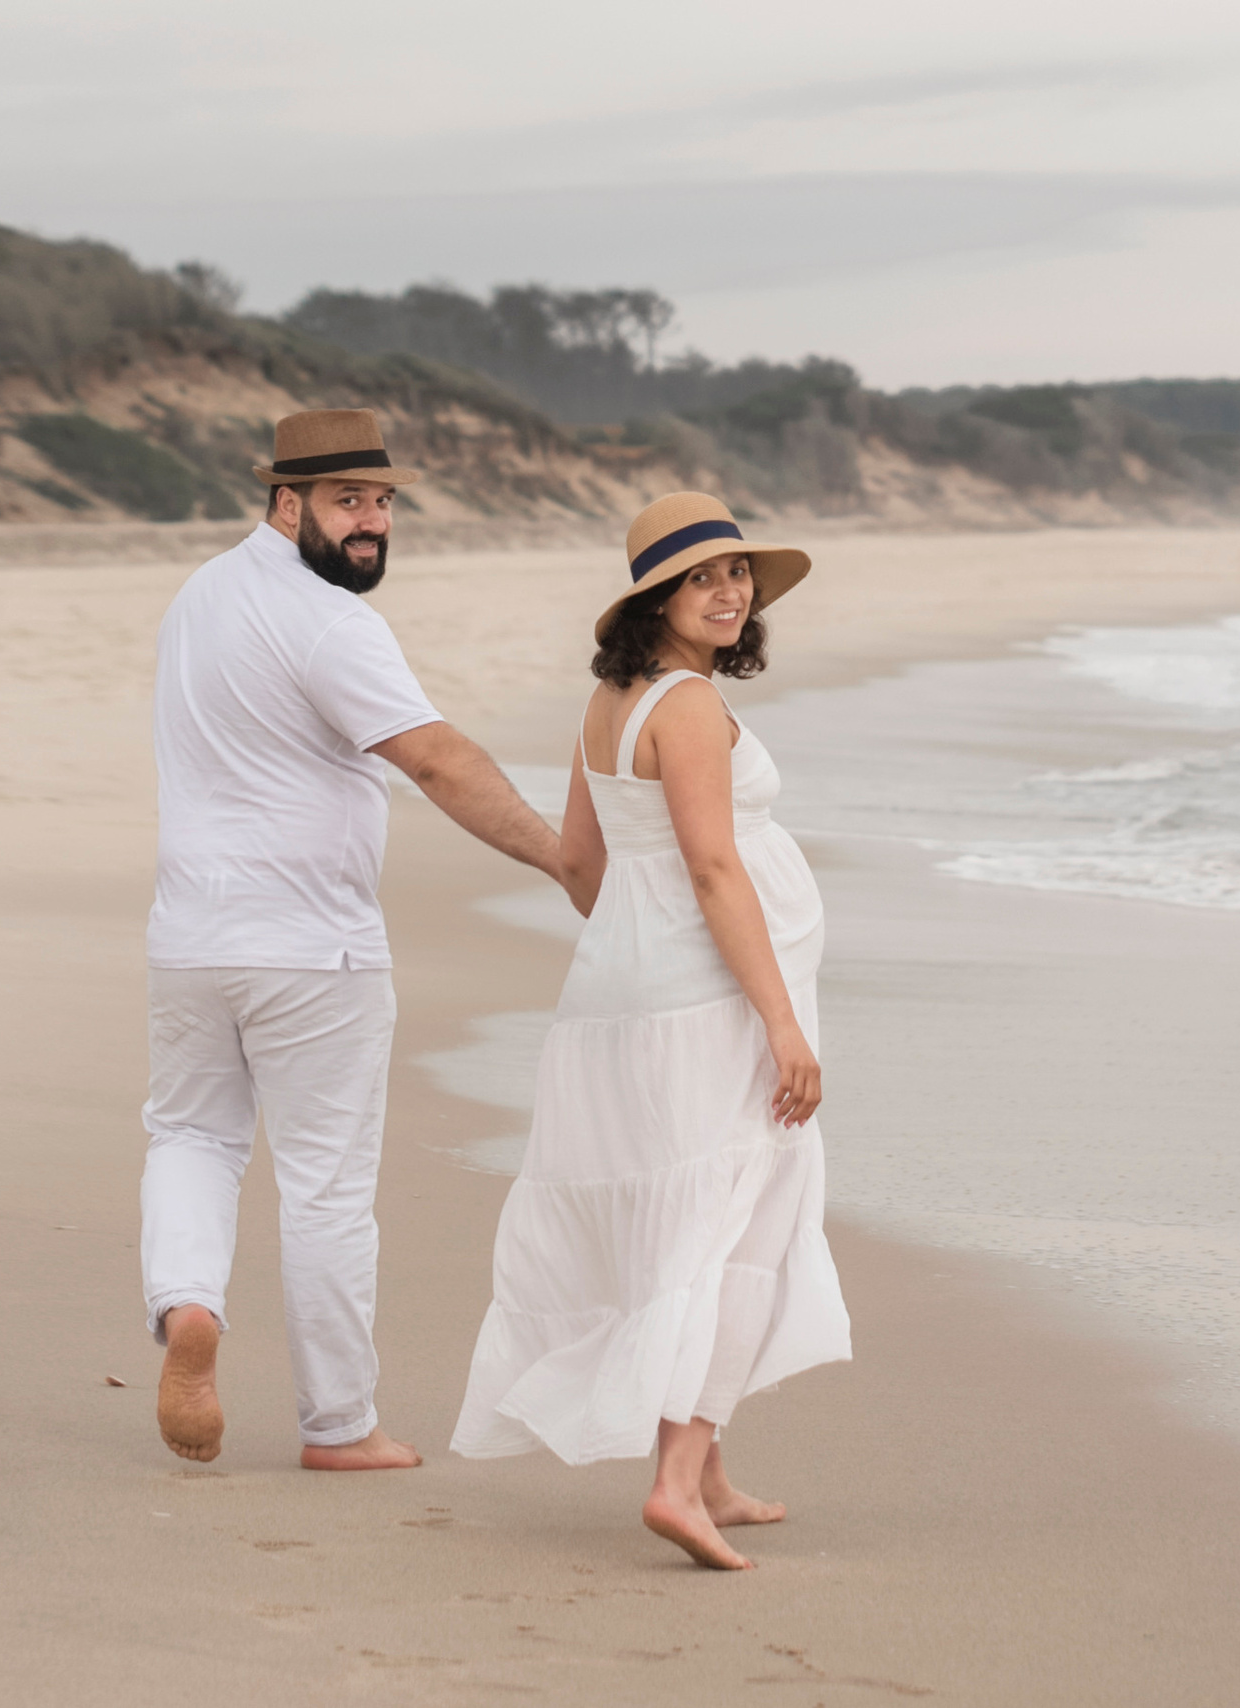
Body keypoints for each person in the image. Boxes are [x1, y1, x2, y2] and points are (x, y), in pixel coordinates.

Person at [141, 409, 561, 1469]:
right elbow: (435, 759)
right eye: (347, 501)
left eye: (382, 501)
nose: (372, 522)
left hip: (191, 937)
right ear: (286, 502)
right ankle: (339, 1424)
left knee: (192, 1139)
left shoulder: (199, 596)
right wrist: (562, 858)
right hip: (311, 949)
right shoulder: (333, 623)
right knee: (325, 1185)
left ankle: (188, 1305)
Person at [449, 492, 852, 1570]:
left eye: (737, 575)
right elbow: (714, 868)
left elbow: (585, 864)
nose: (728, 592)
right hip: (712, 1005)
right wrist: (779, 1023)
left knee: (694, 1216)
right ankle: (676, 1482)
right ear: (656, 600)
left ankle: (706, 1471)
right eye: (700, 579)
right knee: (735, 1225)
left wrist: (642, 945)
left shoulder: (607, 702)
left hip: (630, 998)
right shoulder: (685, 709)